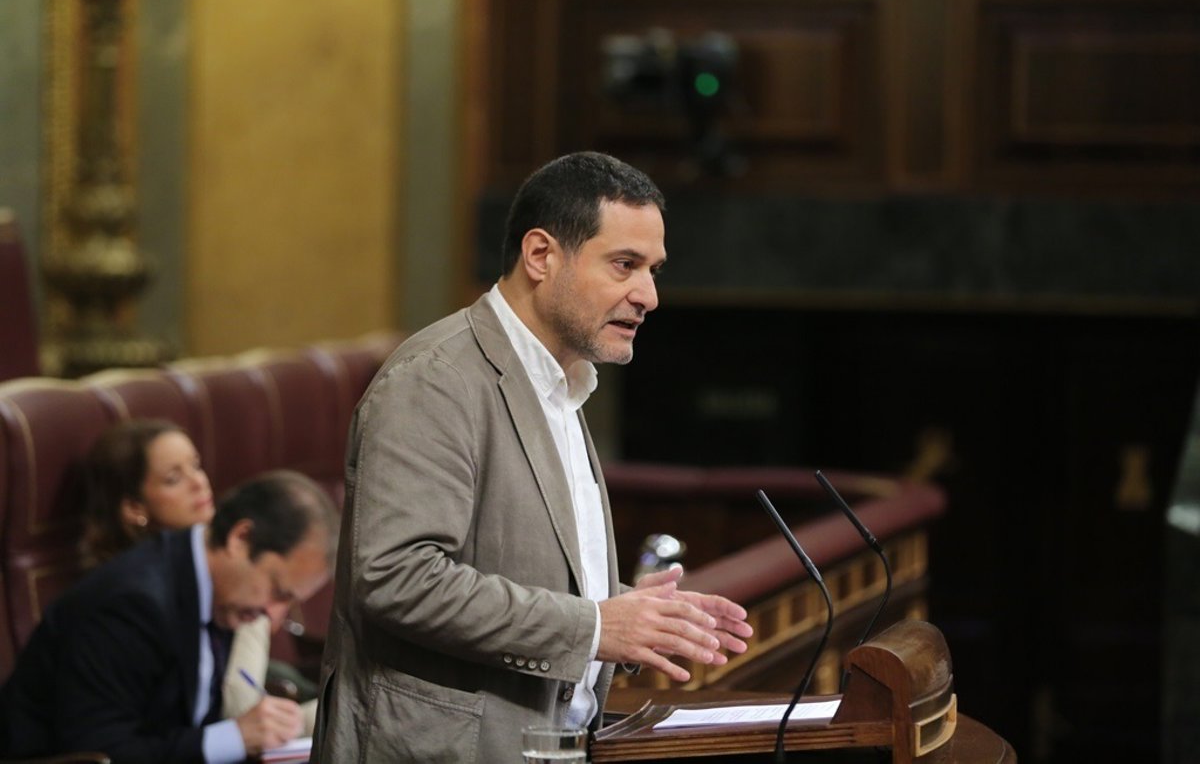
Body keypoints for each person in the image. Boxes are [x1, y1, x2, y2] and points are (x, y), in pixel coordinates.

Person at [312, 151, 754, 762]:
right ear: (541, 255)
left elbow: (509, 561)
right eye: (624, 265)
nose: (649, 296)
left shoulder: (562, 383)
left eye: (653, 270)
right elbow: (397, 577)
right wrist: (596, 626)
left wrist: (629, 609)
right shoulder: (436, 380)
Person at [0, 470, 338, 763]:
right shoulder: (132, 604)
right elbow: (101, 752)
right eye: (278, 591)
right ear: (240, 538)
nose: (273, 613)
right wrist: (233, 737)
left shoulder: (222, 593)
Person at [78, 419, 320, 733]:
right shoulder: (133, 599)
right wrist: (258, 610)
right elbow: (236, 709)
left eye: (196, 465)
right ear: (135, 508)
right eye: (174, 478)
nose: (198, 482)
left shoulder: (224, 564)